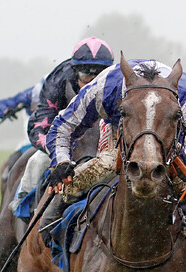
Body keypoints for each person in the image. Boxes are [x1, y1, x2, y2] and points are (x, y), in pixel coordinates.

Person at [42, 57, 186, 245]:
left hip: (167, 145)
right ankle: (50, 225)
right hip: (121, 136)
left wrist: (172, 153)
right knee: (91, 174)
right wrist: (61, 162)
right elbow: (63, 127)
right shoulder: (107, 86)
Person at [9, 37, 114, 211]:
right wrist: (57, 152)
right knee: (37, 160)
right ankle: (23, 200)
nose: (94, 81)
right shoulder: (58, 81)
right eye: (86, 73)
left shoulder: (118, 82)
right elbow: (40, 121)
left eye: (101, 74)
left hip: (104, 136)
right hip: (65, 137)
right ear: (75, 72)